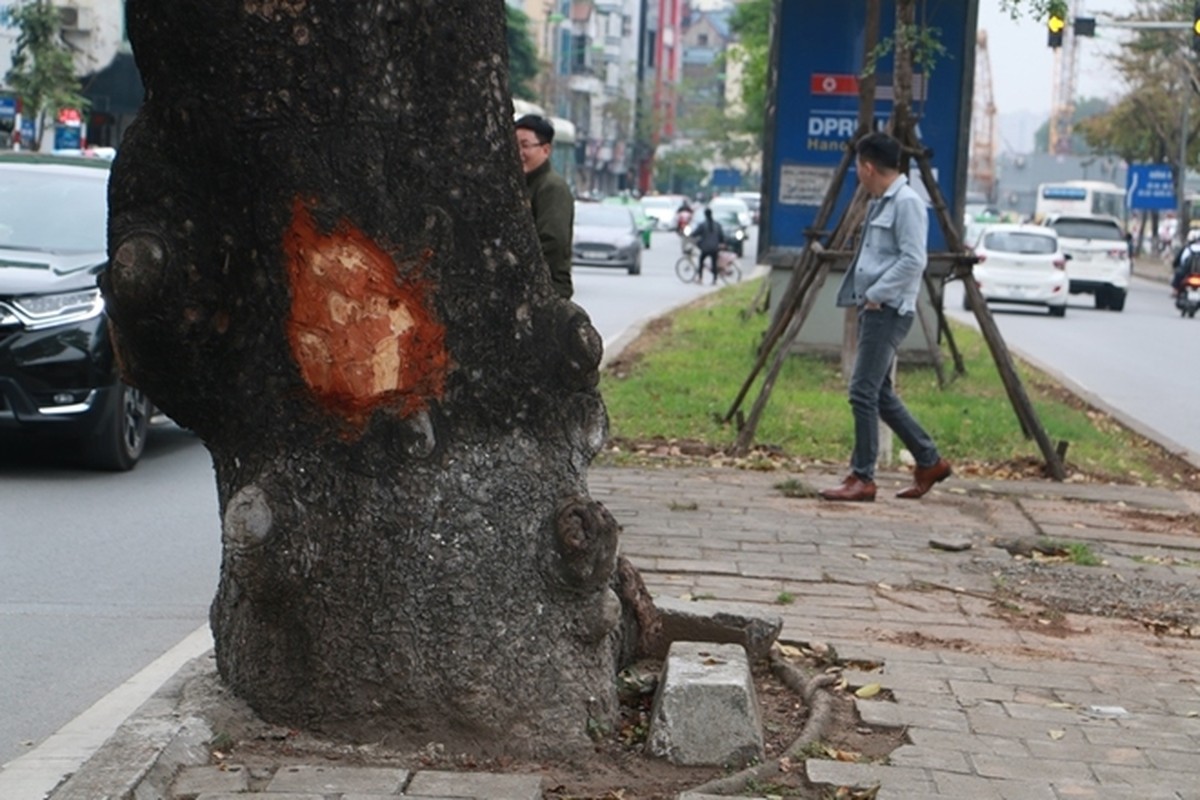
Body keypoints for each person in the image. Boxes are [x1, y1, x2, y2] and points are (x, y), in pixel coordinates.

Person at [819, 131, 951, 503]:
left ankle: (863, 478)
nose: (858, 176)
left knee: (862, 391)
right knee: (879, 394)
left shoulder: (907, 203)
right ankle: (929, 460)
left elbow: (914, 260)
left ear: (867, 166)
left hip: (888, 309)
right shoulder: (883, 200)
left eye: (859, 169)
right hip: (875, 306)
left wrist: (876, 294)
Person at [515, 114, 574, 300]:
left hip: (546, 294)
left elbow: (553, 242)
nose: (518, 153)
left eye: (525, 146)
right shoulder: (520, 185)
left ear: (546, 150)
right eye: (514, 146)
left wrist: (517, 272)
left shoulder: (551, 187)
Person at [689, 207, 725, 284]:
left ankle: (700, 278)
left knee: (701, 262)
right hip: (715, 247)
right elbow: (721, 236)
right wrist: (722, 243)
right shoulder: (717, 224)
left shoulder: (703, 225)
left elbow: (695, 233)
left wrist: (691, 235)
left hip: (705, 248)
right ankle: (715, 280)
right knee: (714, 263)